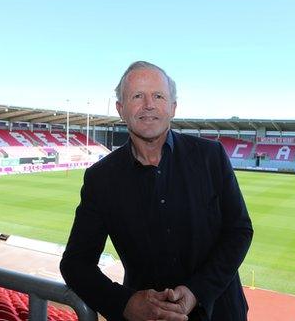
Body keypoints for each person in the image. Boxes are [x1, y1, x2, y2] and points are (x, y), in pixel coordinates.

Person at [60, 61, 253, 321]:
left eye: (158, 96)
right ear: (121, 109)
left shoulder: (211, 157)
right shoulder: (101, 178)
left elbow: (239, 230)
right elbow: (75, 263)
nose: (148, 104)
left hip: (220, 313)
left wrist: (196, 291)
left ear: (173, 107)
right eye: (137, 96)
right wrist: (125, 303)